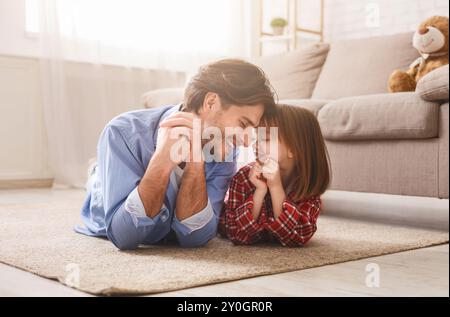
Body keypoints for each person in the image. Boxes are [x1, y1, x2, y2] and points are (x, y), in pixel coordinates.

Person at [76, 59, 275, 250]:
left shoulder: (226, 149)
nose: (248, 141)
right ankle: (97, 172)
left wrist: (195, 163)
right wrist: (163, 159)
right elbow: (124, 236)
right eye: (243, 124)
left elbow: (198, 237)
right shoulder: (122, 132)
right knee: (101, 183)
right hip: (104, 193)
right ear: (211, 102)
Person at [219, 104, 331, 247]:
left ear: (293, 149)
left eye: (265, 139)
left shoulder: (307, 186)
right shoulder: (244, 178)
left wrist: (276, 188)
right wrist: (259, 192)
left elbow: (297, 238)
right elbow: (238, 236)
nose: (256, 144)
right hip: (223, 220)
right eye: (256, 137)